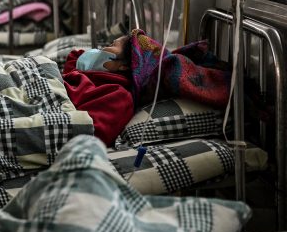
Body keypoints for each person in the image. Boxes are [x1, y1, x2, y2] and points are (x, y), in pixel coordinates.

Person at [62, 30, 231, 146]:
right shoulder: (93, 76)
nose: (101, 50)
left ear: (123, 66)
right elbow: (72, 63)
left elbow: (89, 134)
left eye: (111, 45)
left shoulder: (118, 96)